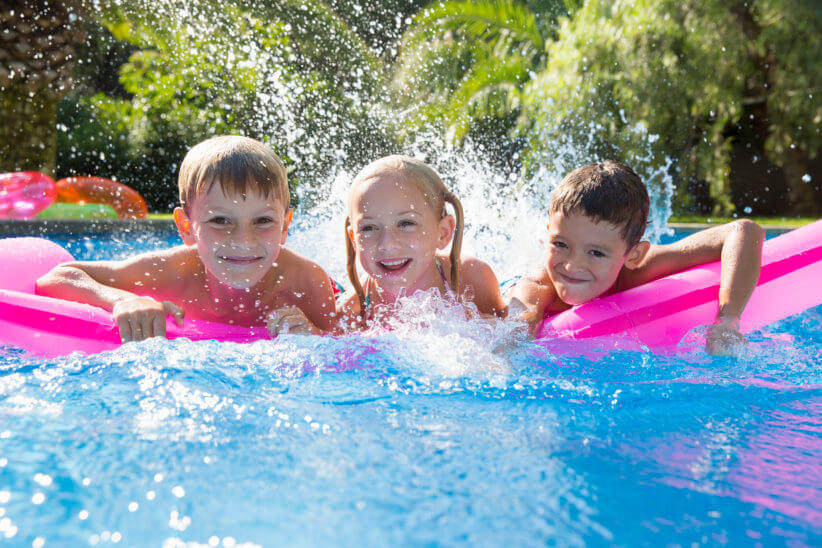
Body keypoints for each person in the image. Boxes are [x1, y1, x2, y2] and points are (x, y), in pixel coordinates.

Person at [36, 135, 337, 341]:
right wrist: (123, 300)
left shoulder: (306, 282)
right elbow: (57, 278)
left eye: (263, 221)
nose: (244, 240)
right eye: (220, 220)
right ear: (185, 226)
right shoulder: (168, 274)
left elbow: (343, 350)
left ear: (285, 226)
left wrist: (313, 335)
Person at [507, 160, 765, 354]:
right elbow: (520, 320)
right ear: (548, 234)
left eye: (595, 252)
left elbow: (744, 231)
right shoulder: (539, 286)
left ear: (634, 255)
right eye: (560, 244)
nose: (572, 264)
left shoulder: (640, 269)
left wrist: (727, 320)